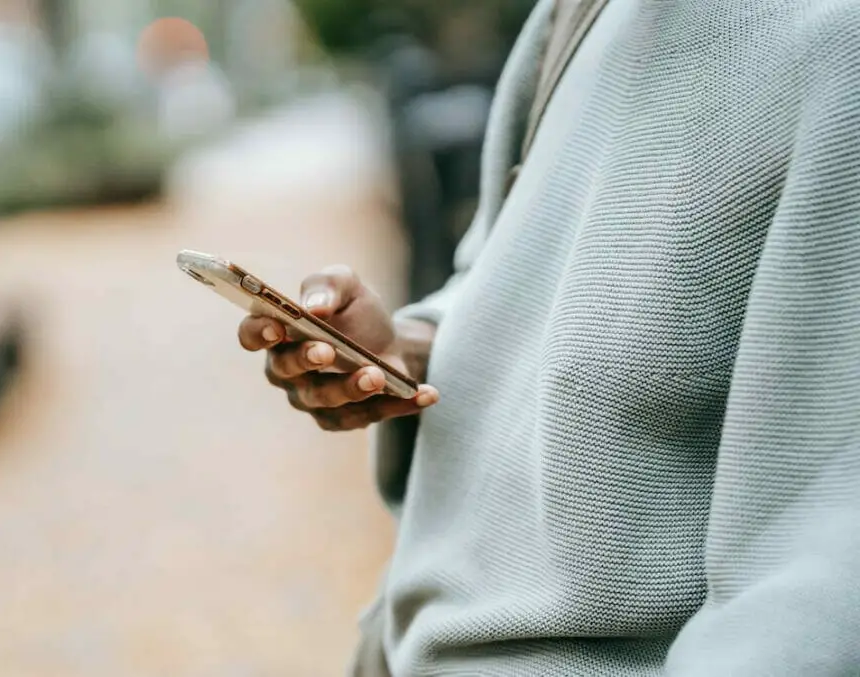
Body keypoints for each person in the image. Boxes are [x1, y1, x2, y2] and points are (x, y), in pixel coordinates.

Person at [237, 0, 860, 674]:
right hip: (409, 643)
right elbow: (517, 272)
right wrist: (408, 349)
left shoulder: (835, 42)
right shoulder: (577, 11)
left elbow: (824, 561)